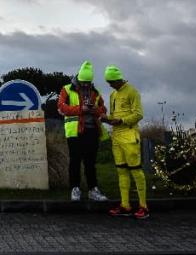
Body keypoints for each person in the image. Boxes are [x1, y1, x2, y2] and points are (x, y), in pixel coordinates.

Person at [101, 65, 149, 219]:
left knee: (136, 170)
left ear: (118, 79)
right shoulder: (113, 94)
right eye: (109, 82)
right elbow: (114, 116)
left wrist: (121, 120)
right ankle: (125, 205)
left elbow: (138, 114)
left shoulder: (132, 91)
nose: (110, 85)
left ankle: (143, 206)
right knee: (121, 171)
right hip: (116, 136)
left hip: (129, 134)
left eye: (111, 82)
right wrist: (104, 118)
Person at [57, 61, 109, 202]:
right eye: (83, 82)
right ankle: (75, 189)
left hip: (92, 131)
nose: (86, 85)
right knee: (75, 161)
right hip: (74, 132)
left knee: (90, 162)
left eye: (88, 83)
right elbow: (62, 107)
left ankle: (93, 190)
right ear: (78, 78)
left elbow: (103, 109)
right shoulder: (66, 89)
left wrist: (94, 110)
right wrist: (81, 109)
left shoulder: (95, 92)